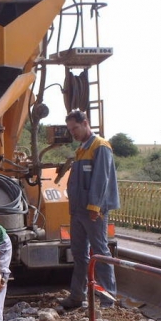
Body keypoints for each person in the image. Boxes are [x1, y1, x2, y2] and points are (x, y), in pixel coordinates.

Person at [59, 109, 120, 309]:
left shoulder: (100, 146)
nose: (73, 133)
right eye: (70, 129)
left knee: (100, 252)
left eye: (75, 128)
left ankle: (108, 299)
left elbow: (101, 180)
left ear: (86, 123)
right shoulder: (81, 149)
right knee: (78, 254)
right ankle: (77, 296)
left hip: (93, 211)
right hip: (77, 211)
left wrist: (95, 207)